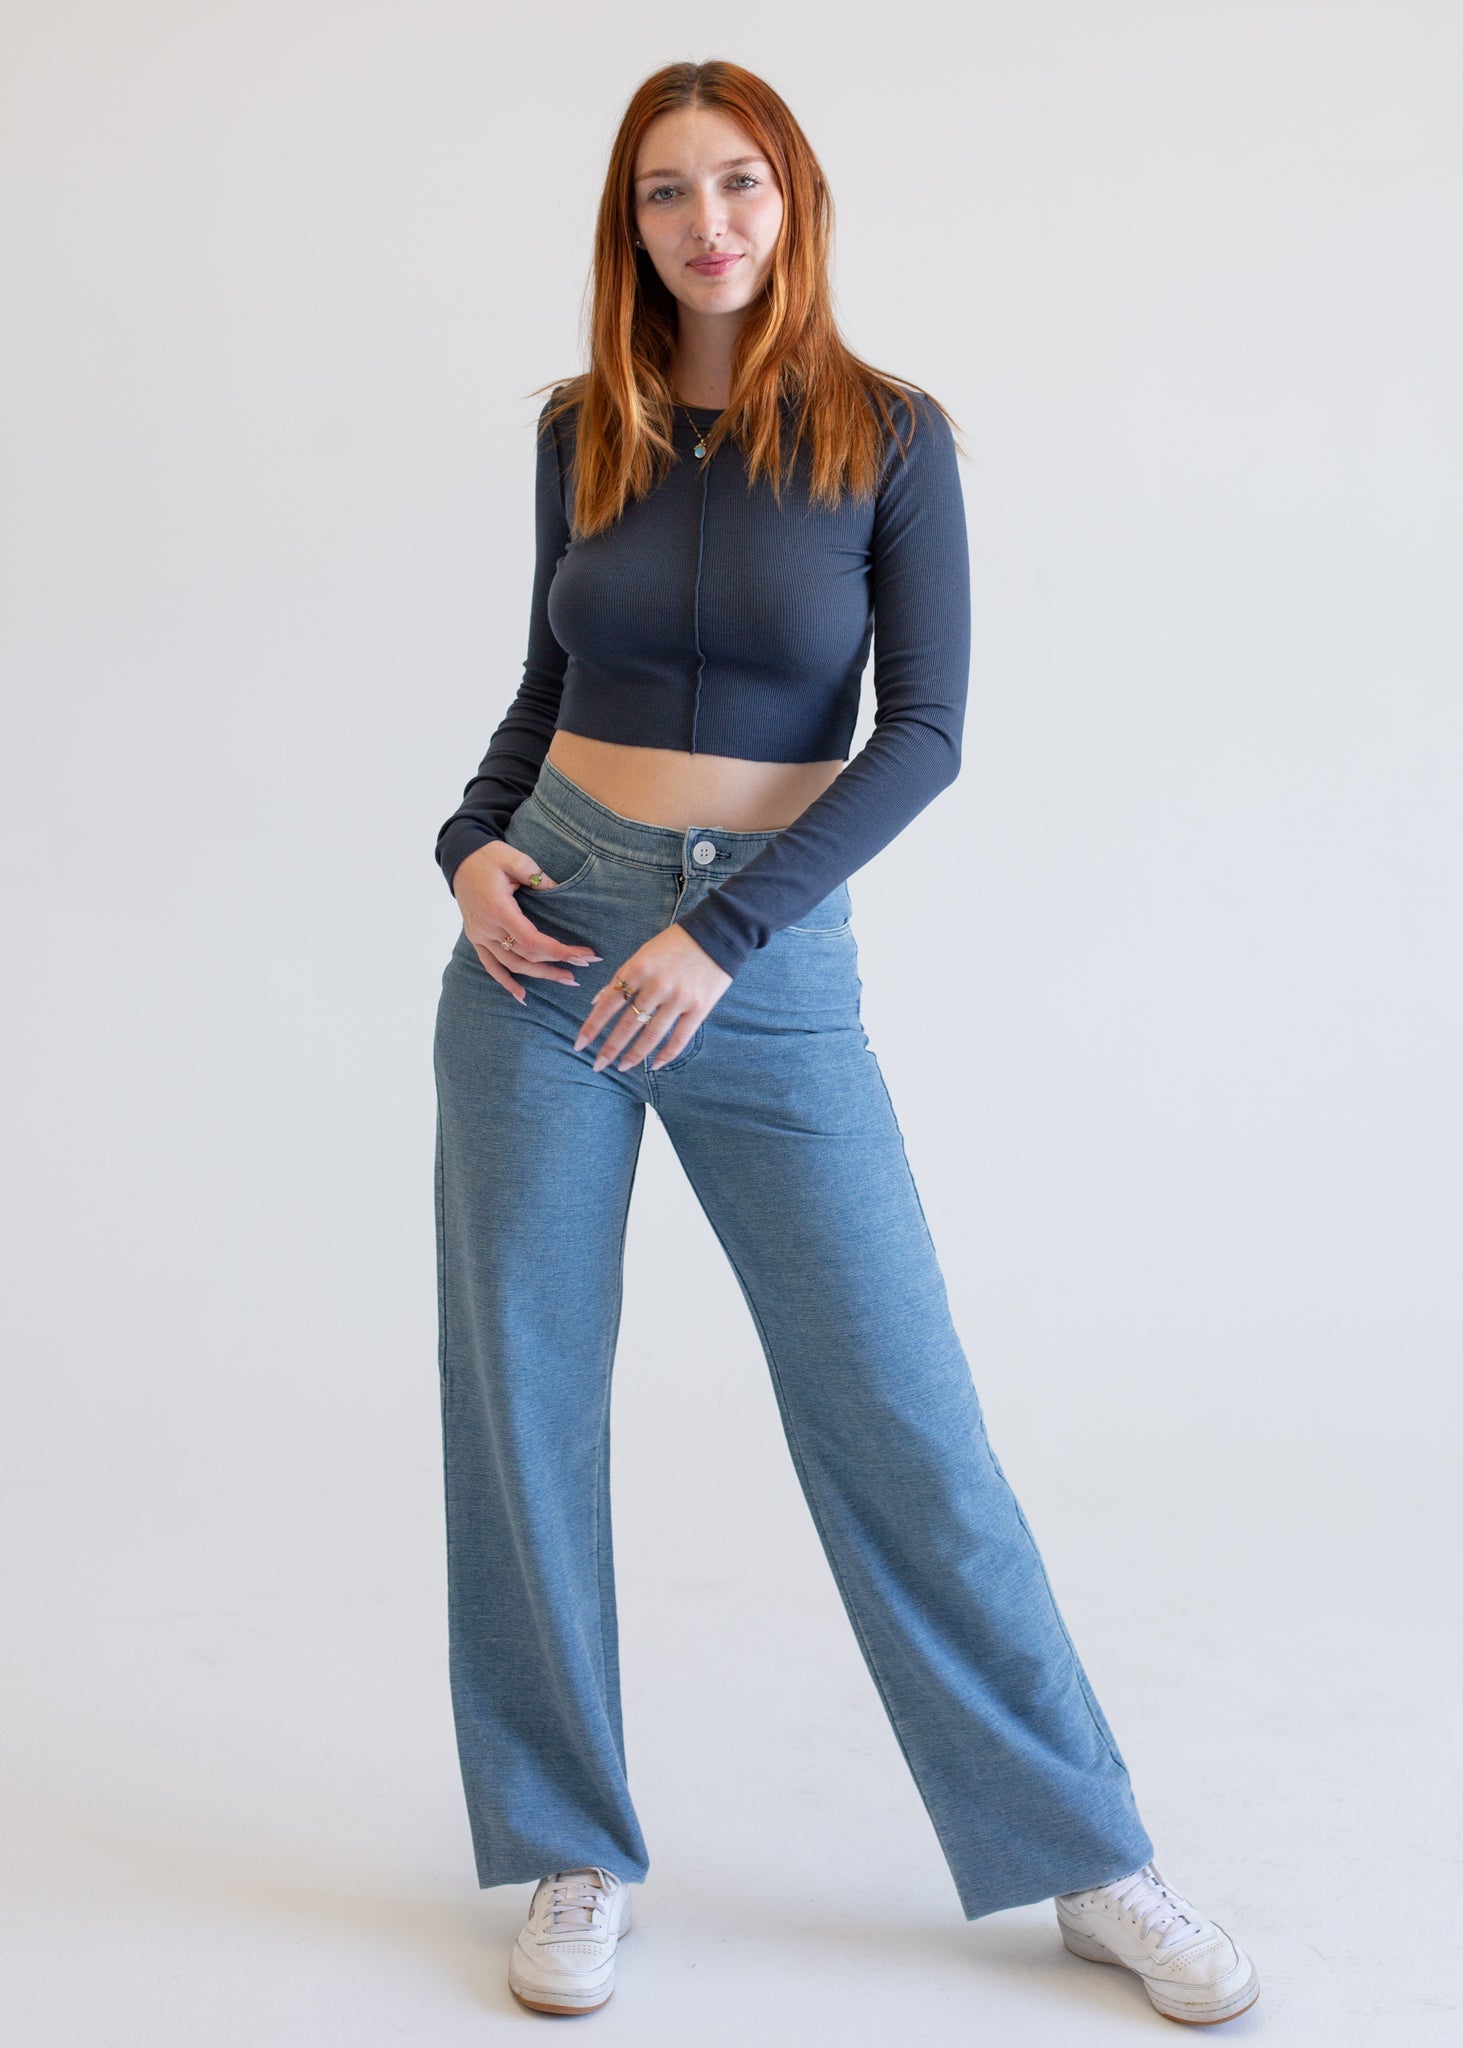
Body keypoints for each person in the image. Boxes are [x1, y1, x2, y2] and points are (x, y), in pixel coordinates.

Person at [431, 57, 1259, 2027]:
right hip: (542, 936)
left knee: (903, 1414)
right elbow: (548, 686)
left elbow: (927, 733)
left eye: (738, 185)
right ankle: (572, 1846)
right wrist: (468, 851)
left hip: (762, 962)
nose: (705, 224)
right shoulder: (586, 426)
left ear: (793, 203)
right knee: (526, 1404)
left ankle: (1087, 1850)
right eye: (662, 195)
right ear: (625, 227)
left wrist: (724, 932)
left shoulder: (890, 438)